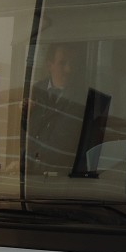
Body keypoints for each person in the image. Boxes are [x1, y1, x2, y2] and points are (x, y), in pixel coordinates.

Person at [27, 43, 85, 174]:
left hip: (60, 175)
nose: (69, 69)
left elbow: (63, 140)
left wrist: (28, 159)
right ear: (49, 65)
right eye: (62, 63)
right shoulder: (34, 91)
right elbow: (23, 133)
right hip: (30, 173)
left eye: (71, 63)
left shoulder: (80, 98)